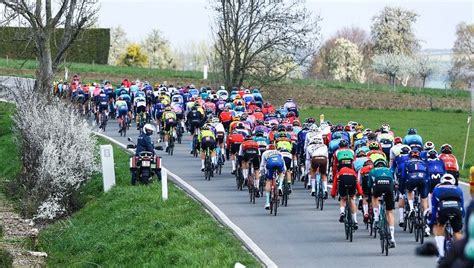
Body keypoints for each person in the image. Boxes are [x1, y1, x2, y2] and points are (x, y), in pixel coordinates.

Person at [429, 174, 465, 263]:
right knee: (457, 232)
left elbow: (434, 208)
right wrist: (461, 220)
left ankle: (441, 253)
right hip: (457, 210)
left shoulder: (437, 189)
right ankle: (462, 254)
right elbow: (463, 208)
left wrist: (432, 221)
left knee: (440, 226)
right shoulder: (458, 189)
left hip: (443, 209)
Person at [368, 159, 396, 248]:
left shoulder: (373, 171)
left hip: (378, 186)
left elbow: (369, 185)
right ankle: (392, 237)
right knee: (390, 212)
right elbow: (394, 182)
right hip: (389, 187)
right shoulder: (390, 170)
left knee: (374, 196)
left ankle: (376, 218)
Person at [404, 149, 431, 236]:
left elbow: (404, 176)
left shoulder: (407, 162)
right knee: (424, 200)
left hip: (412, 179)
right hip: (423, 179)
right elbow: (428, 176)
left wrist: (401, 188)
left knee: (409, 191)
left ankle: (411, 208)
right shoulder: (423, 162)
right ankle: (426, 226)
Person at [331, 166, 363, 230]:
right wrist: (360, 193)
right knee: (351, 199)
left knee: (343, 198)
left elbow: (334, 184)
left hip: (343, 180)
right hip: (352, 180)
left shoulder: (339, 172)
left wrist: (333, 194)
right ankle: (355, 221)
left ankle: (342, 213)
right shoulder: (353, 172)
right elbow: (357, 184)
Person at [260, 144, 286, 210]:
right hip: (279, 163)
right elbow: (283, 162)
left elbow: (262, 165)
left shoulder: (265, 153)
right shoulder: (279, 152)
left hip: (270, 165)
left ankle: (267, 203)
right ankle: (280, 186)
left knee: (269, 181)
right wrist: (284, 171)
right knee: (281, 173)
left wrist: (262, 173)